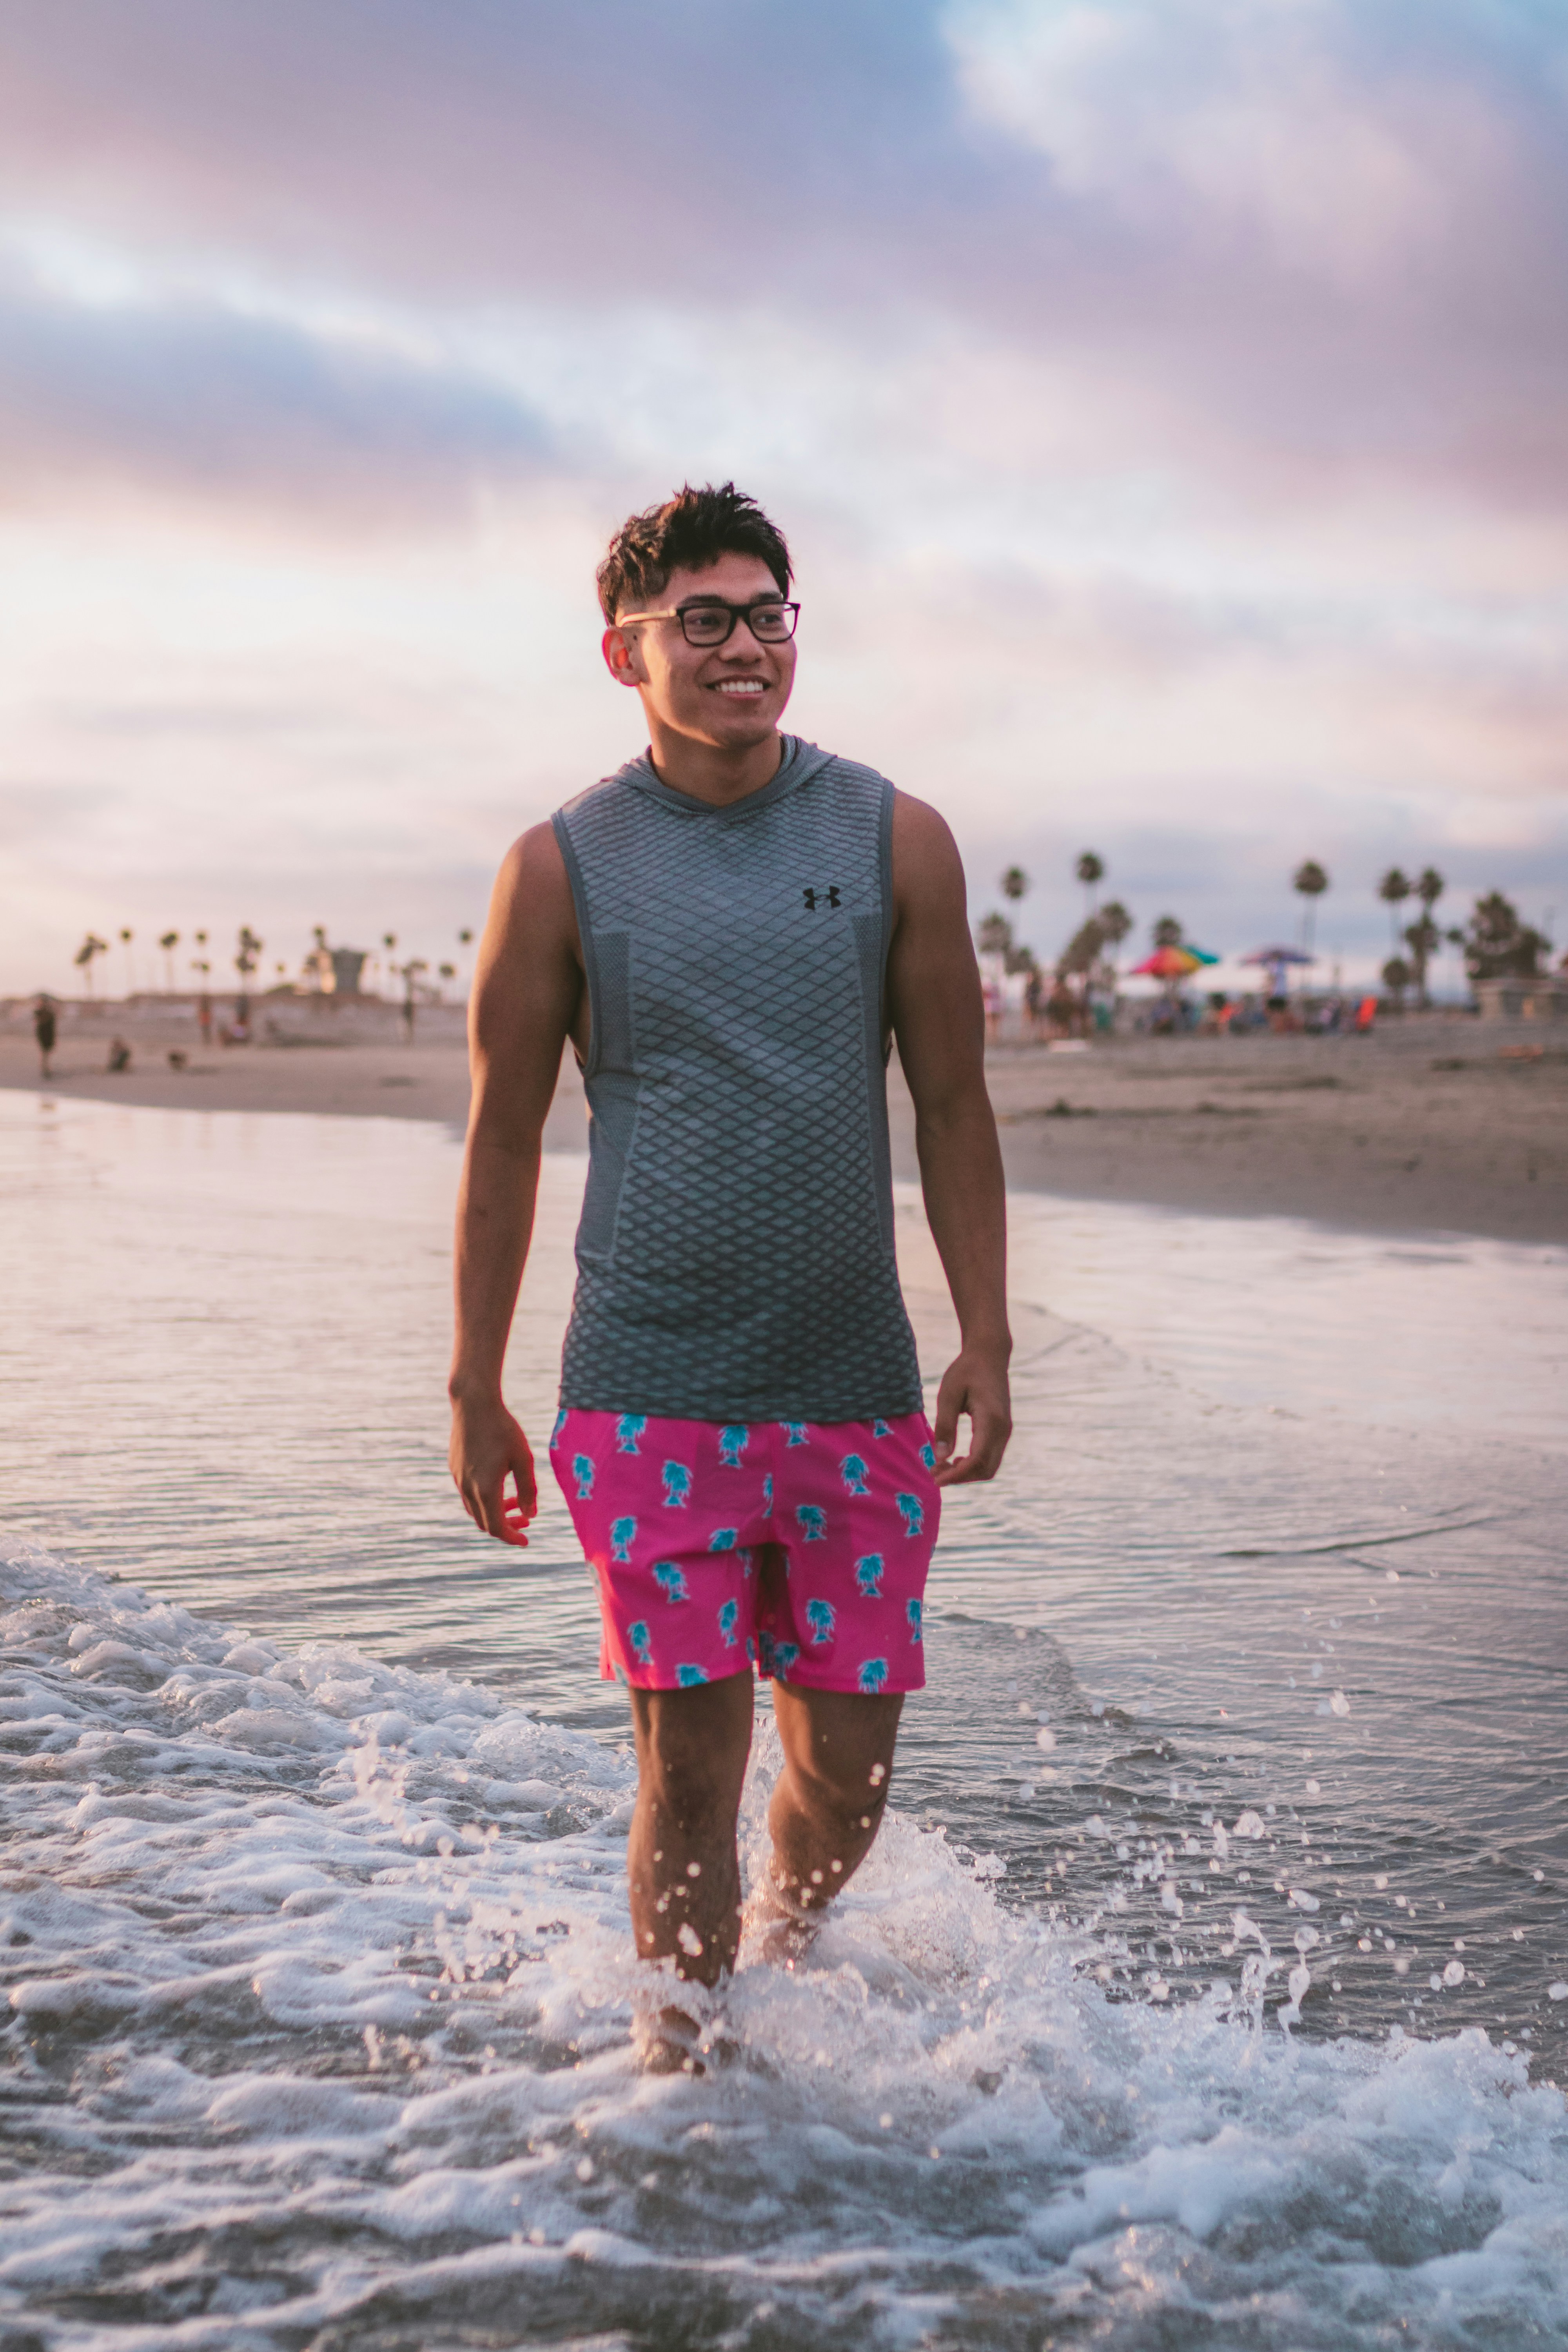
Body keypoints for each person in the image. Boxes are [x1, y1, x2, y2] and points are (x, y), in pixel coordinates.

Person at [448, 483, 1011, 2058]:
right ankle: (677, 2097)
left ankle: (782, 1935)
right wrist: (474, 1385)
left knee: (848, 1771)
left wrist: (988, 1338)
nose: (744, 645)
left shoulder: (886, 839)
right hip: (648, 1395)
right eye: (702, 620)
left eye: (767, 613)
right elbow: (500, 1142)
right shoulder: (560, 867)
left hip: (853, 1392)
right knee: (685, 1769)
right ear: (624, 651)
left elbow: (954, 1100)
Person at [32, 995, 55, 1079]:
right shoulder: (39, 1012)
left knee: (46, 1053)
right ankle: (45, 1070)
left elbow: (52, 1025)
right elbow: (40, 1022)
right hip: (43, 1035)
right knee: (44, 1053)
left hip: (48, 1035)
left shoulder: (49, 1012)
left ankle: (46, 1069)